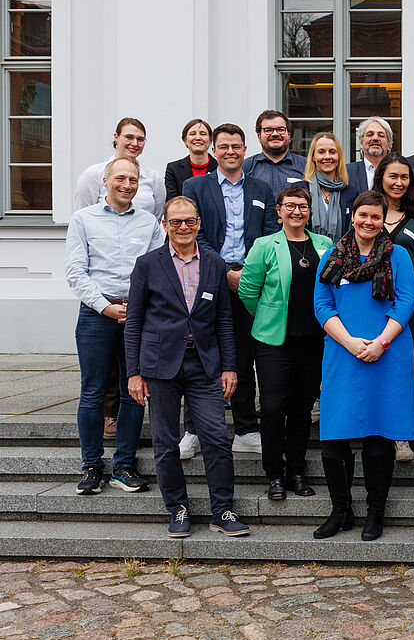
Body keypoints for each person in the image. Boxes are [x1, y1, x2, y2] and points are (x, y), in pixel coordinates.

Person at [125, 196, 249, 538]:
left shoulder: (213, 262)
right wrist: (133, 373)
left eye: (189, 221)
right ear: (164, 225)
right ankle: (177, 509)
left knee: (216, 438)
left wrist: (230, 366)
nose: (183, 227)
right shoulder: (148, 264)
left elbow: (225, 319)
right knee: (165, 443)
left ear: (198, 224)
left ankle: (222, 510)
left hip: (205, 364)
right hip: (159, 365)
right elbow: (134, 321)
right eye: (176, 221)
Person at [312, 190, 414, 541]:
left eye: (376, 217)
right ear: (352, 216)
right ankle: (340, 510)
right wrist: (350, 342)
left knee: (378, 438)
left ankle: (375, 511)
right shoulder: (332, 256)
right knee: (334, 439)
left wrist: (381, 342)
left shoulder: (398, 256)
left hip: (386, 354)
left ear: (383, 220)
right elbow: (322, 305)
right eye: (363, 216)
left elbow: (405, 302)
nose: (368, 222)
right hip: (344, 354)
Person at [65, 157, 163, 495]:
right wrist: (106, 307)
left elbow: (157, 270)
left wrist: (135, 308)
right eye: (120, 178)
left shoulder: (150, 223)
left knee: (133, 392)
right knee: (92, 392)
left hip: (138, 316)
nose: (127, 184)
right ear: (105, 181)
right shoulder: (82, 220)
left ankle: (124, 466)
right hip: (96, 314)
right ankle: (91, 466)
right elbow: (76, 271)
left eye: (133, 179)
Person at [182, 123, 272, 455]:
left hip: (250, 283)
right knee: (202, 354)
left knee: (244, 355)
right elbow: (193, 232)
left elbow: (269, 234)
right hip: (208, 281)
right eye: (224, 146)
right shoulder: (194, 186)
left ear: (245, 150)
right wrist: (224, 271)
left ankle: (246, 429)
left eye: (236, 146)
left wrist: (247, 274)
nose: (230, 152)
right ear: (213, 150)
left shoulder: (262, 189)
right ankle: (193, 429)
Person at [238, 186, 332, 500]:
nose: (296, 211)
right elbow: (248, 292)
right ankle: (274, 474)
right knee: (275, 408)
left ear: (310, 210)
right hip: (273, 341)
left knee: (303, 409)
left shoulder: (324, 244)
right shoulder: (264, 245)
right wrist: (268, 314)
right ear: (278, 211)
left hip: (314, 340)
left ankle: (296, 471)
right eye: (289, 206)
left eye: (302, 206)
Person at [375, 153, 414, 439]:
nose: (398, 182)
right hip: (372, 304)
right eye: (393, 176)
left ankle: (402, 434)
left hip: (408, 305)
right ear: (381, 178)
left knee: (406, 365)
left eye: (404, 177)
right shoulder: (368, 212)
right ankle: (375, 425)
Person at [74, 117, 167, 219]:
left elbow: (156, 218)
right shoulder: (94, 174)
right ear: (116, 137)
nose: (135, 143)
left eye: (140, 139)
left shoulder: (153, 178)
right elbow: (81, 217)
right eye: (129, 137)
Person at [245, 110, 307, 201]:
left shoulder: (306, 166)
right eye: (268, 130)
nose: (275, 134)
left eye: (280, 129)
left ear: (289, 135)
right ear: (259, 136)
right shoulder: (246, 167)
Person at [304, 132, 352, 241]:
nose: (327, 157)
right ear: (313, 157)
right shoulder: (300, 189)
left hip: (341, 254)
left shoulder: (351, 192)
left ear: (339, 156)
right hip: (307, 253)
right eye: (321, 152)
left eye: (332, 152)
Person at [164, 118, 217, 199]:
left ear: (210, 140)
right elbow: (171, 202)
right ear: (185, 140)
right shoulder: (174, 169)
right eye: (192, 134)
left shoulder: (220, 167)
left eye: (203, 134)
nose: (198, 138)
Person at [347, 117, 393, 198]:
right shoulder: (347, 172)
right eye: (369, 134)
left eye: (381, 135)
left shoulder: (397, 173)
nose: (375, 138)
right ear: (361, 143)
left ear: (389, 145)